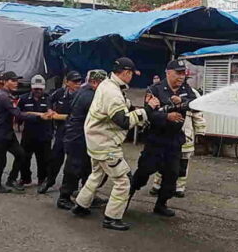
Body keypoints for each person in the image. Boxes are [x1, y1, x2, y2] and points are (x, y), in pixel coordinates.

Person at [72, 57, 159, 231]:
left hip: (96, 141)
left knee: (97, 174)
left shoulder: (108, 85)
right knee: (123, 180)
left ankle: (81, 206)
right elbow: (123, 121)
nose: (132, 77)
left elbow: (121, 107)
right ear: (126, 73)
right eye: (132, 74)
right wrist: (148, 109)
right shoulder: (112, 92)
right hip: (106, 144)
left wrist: (137, 110)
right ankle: (111, 218)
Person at [129, 60, 197, 217]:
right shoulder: (155, 89)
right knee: (143, 172)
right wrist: (167, 116)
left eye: (183, 73)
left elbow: (196, 104)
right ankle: (124, 198)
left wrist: (183, 102)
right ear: (168, 72)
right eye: (178, 73)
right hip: (156, 140)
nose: (181, 77)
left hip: (174, 141)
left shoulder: (186, 89)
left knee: (172, 174)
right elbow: (149, 113)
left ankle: (161, 204)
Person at [57, 69, 108, 210]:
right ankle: (64, 197)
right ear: (94, 82)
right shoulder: (89, 95)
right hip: (78, 137)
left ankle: (87, 195)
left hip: (82, 136)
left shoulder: (86, 91)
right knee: (74, 168)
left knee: (88, 168)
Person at [0, 71, 40, 194]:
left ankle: (11, 180)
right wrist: (38, 117)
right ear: (4, 82)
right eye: (12, 80)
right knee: (1, 161)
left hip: (7, 133)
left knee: (21, 154)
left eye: (16, 81)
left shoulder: (8, 95)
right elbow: (18, 114)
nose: (16, 83)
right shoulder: (4, 97)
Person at [150, 87, 206, 198]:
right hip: (168, 131)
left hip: (186, 132)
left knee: (183, 163)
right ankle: (157, 185)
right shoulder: (164, 89)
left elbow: (198, 114)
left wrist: (200, 132)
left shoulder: (192, 93)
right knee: (163, 160)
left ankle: (179, 188)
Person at [38, 71, 83, 194]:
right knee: (55, 158)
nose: (78, 84)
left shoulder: (81, 96)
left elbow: (76, 116)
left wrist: (59, 116)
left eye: (79, 82)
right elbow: (49, 99)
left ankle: (69, 189)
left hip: (75, 132)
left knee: (73, 163)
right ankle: (49, 181)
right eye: (74, 82)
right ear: (67, 82)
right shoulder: (60, 93)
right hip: (61, 131)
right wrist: (50, 109)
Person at [17, 75, 53, 187]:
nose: (38, 91)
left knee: (44, 160)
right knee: (24, 158)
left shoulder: (48, 98)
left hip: (44, 135)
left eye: (40, 89)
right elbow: (19, 115)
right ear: (31, 87)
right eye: (35, 88)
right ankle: (25, 178)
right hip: (29, 134)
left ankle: (42, 179)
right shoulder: (23, 99)